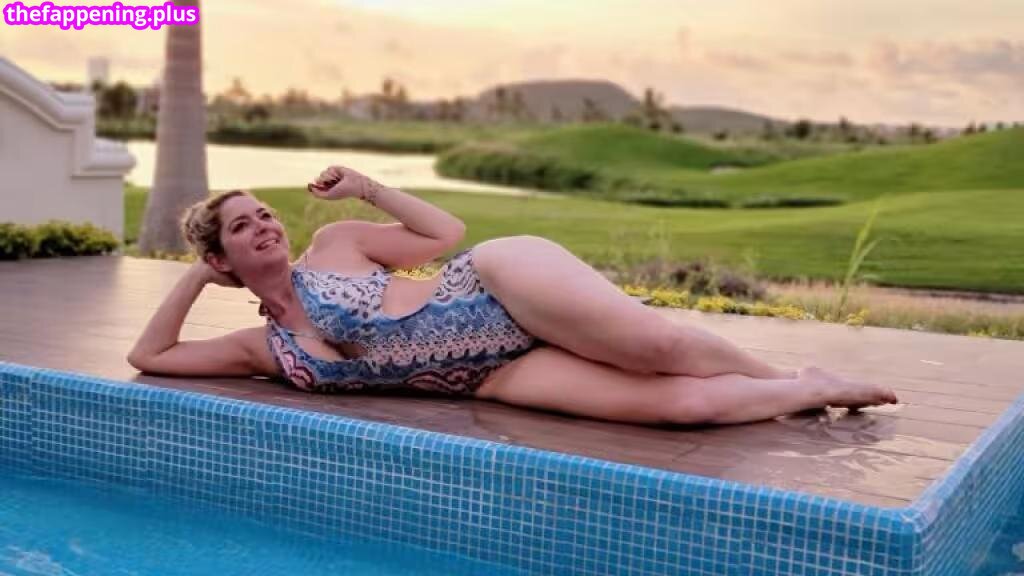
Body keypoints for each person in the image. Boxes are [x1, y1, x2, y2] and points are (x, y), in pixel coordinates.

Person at [127, 165, 898, 426]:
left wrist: (367, 189)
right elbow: (150, 355)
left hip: (493, 285)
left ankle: (776, 375)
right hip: (491, 376)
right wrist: (194, 276)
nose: (264, 225)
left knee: (656, 347)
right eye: (241, 227)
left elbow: (446, 231)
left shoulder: (336, 245)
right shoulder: (267, 349)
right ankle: (807, 389)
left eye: (264, 213)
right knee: (677, 408)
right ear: (221, 255)